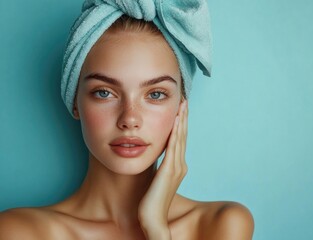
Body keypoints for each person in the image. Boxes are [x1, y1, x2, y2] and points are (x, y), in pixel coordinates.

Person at [0, 1, 254, 239]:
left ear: (181, 106)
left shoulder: (221, 225)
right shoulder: (18, 232)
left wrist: (156, 227)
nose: (129, 119)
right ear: (75, 101)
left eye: (155, 94)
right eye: (104, 93)